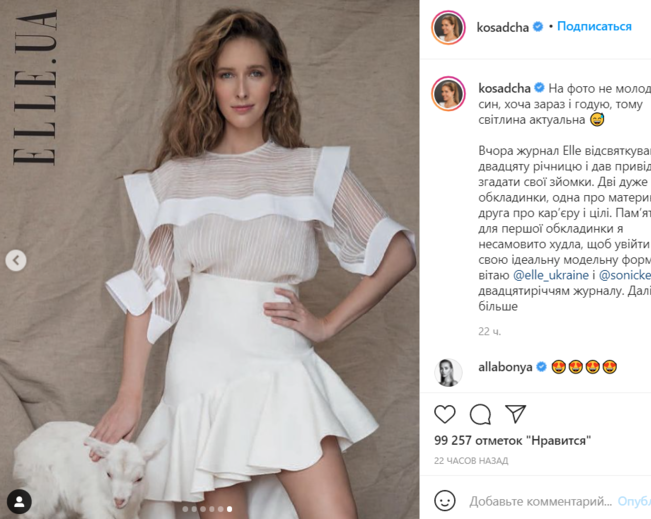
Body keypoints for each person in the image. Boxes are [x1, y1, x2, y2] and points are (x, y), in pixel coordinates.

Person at [88, 8, 417, 519]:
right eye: (227, 75)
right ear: (210, 83)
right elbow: (148, 289)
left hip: (282, 365)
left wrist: (327, 325)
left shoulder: (309, 170)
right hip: (202, 376)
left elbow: (398, 252)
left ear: (276, 80)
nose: (241, 90)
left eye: (255, 73)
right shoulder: (176, 178)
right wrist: (130, 396)